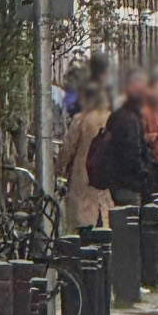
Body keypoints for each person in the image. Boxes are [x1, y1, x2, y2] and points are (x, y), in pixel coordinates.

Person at [102, 69, 158, 204]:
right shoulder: (130, 120)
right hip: (129, 185)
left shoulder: (121, 116)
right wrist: (147, 173)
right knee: (131, 219)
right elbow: (132, 154)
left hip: (120, 182)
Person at [57, 82, 113, 232]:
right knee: (104, 219)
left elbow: (68, 148)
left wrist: (59, 167)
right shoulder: (111, 118)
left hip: (82, 178)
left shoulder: (81, 119)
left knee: (84, 224)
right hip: (105, 177)